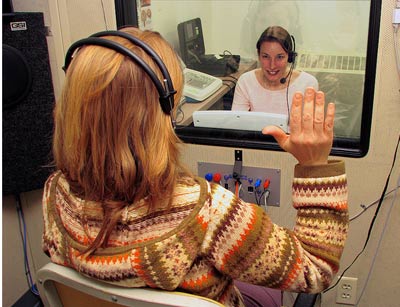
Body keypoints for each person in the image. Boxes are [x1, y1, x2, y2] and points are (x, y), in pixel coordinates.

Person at [42, 26, 349, 307]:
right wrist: (315, 165)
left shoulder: (54, 194)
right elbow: (315, 271)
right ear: (165, 110)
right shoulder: (210, 212)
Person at [232, 26, 318, 118]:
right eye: (266, 56)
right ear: (258, 55)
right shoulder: (246, 81)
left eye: (279, 57)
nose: (272, 65)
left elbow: (310, 128)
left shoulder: (308, 83)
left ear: (289, 57)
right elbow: (236, 124)